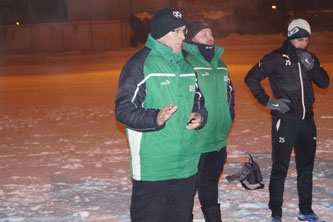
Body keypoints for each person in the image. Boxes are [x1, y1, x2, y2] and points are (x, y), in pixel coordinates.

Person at [115, 8, 208, 222]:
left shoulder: (186, 65)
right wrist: (155, 118)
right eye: (178, 31)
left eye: (184, 31)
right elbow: (123, 110)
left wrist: (201, 115)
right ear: (162, 33)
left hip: (186, 164)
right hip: (153, 166)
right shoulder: (140, 64)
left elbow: (199, 100)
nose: (184, 36)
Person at [244, 19, 329, 222]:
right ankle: (276, 212)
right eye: (300, 40)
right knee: (280, 169)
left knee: (306, 168)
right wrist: (268, 102)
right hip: (286, 121)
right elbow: (251, 78)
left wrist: (313, 66)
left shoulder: (310, 57)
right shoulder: (275, 58)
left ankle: (305, 210)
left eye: (307, 40)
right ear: (290, 37)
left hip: (307, 121)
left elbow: (324, 82)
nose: (304, 44)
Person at [183, 21, 235, 222]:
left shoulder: (221, 64)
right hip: (195, 140)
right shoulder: (186, 62)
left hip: (218, 139)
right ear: (191, 38)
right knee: (188, 187)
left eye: (211, 33)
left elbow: (230, 97)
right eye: (203, 33)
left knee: (210, 183)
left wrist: (228, 119)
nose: (210, 37)